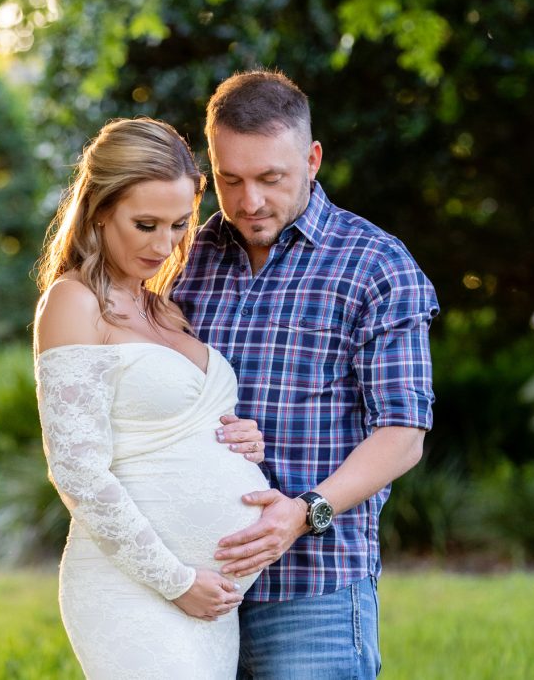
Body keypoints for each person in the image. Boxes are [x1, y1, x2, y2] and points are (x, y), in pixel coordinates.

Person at [172, 70, 439, 678]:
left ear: (312, 158)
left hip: (311, 589)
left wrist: (303, 512)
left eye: (271, 178)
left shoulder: (375, 264)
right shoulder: (182, 260)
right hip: (191, 583)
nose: (249, 202)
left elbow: (403, 433)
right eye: (229, 180)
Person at [33, 117, 274, 679]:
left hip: (208, 600)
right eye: (144, 225)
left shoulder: (161, 306)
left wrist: (240, 441)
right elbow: (77, 472)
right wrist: (177, 580)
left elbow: (175, 429)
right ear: (98, 210)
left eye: (177, 225)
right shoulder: (74, 303)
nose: (164, 246)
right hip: (137, 590)